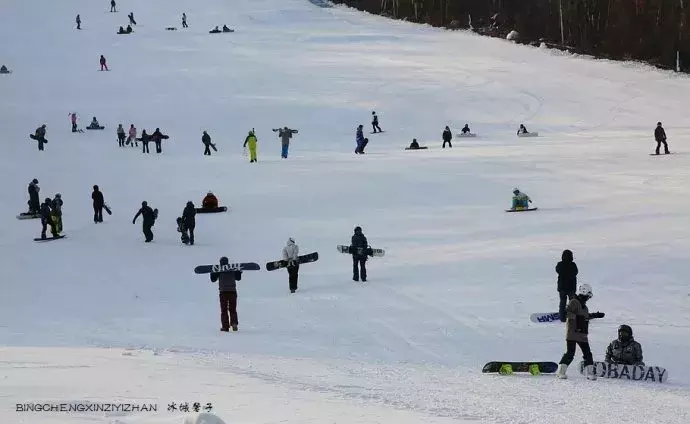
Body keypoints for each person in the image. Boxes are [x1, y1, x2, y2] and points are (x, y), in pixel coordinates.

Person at [556, 283, 605, 380]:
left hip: (582, 333)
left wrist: (595, 315)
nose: (588, 297)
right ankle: (561, 372)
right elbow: (568, 313)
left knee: (587, 353)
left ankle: (590, 373)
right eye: (588, 295)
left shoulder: (584, 307)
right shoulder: (574, 302)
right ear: (584, 292)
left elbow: (585, 316)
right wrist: (578, 319)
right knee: (570, 352)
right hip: (573, 332)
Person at [210, 256, 242, 331]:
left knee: (224, 310)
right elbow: (238, 278)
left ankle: (225, 326)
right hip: (233, 291)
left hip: (223, 292)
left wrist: (212, 272)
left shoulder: (219, 269)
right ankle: (234, 323)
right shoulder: (232, 269)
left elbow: (213, 279)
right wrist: (239, 271)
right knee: (233, 309)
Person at [556, 249, 578, 322]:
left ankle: (562, 317)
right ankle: (572, 317)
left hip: (562, 288)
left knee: (562, 302)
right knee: (572, 303)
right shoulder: (573, 265)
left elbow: (557, 270)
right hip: (571, 288)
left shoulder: (560, 264)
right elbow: (576, 272)